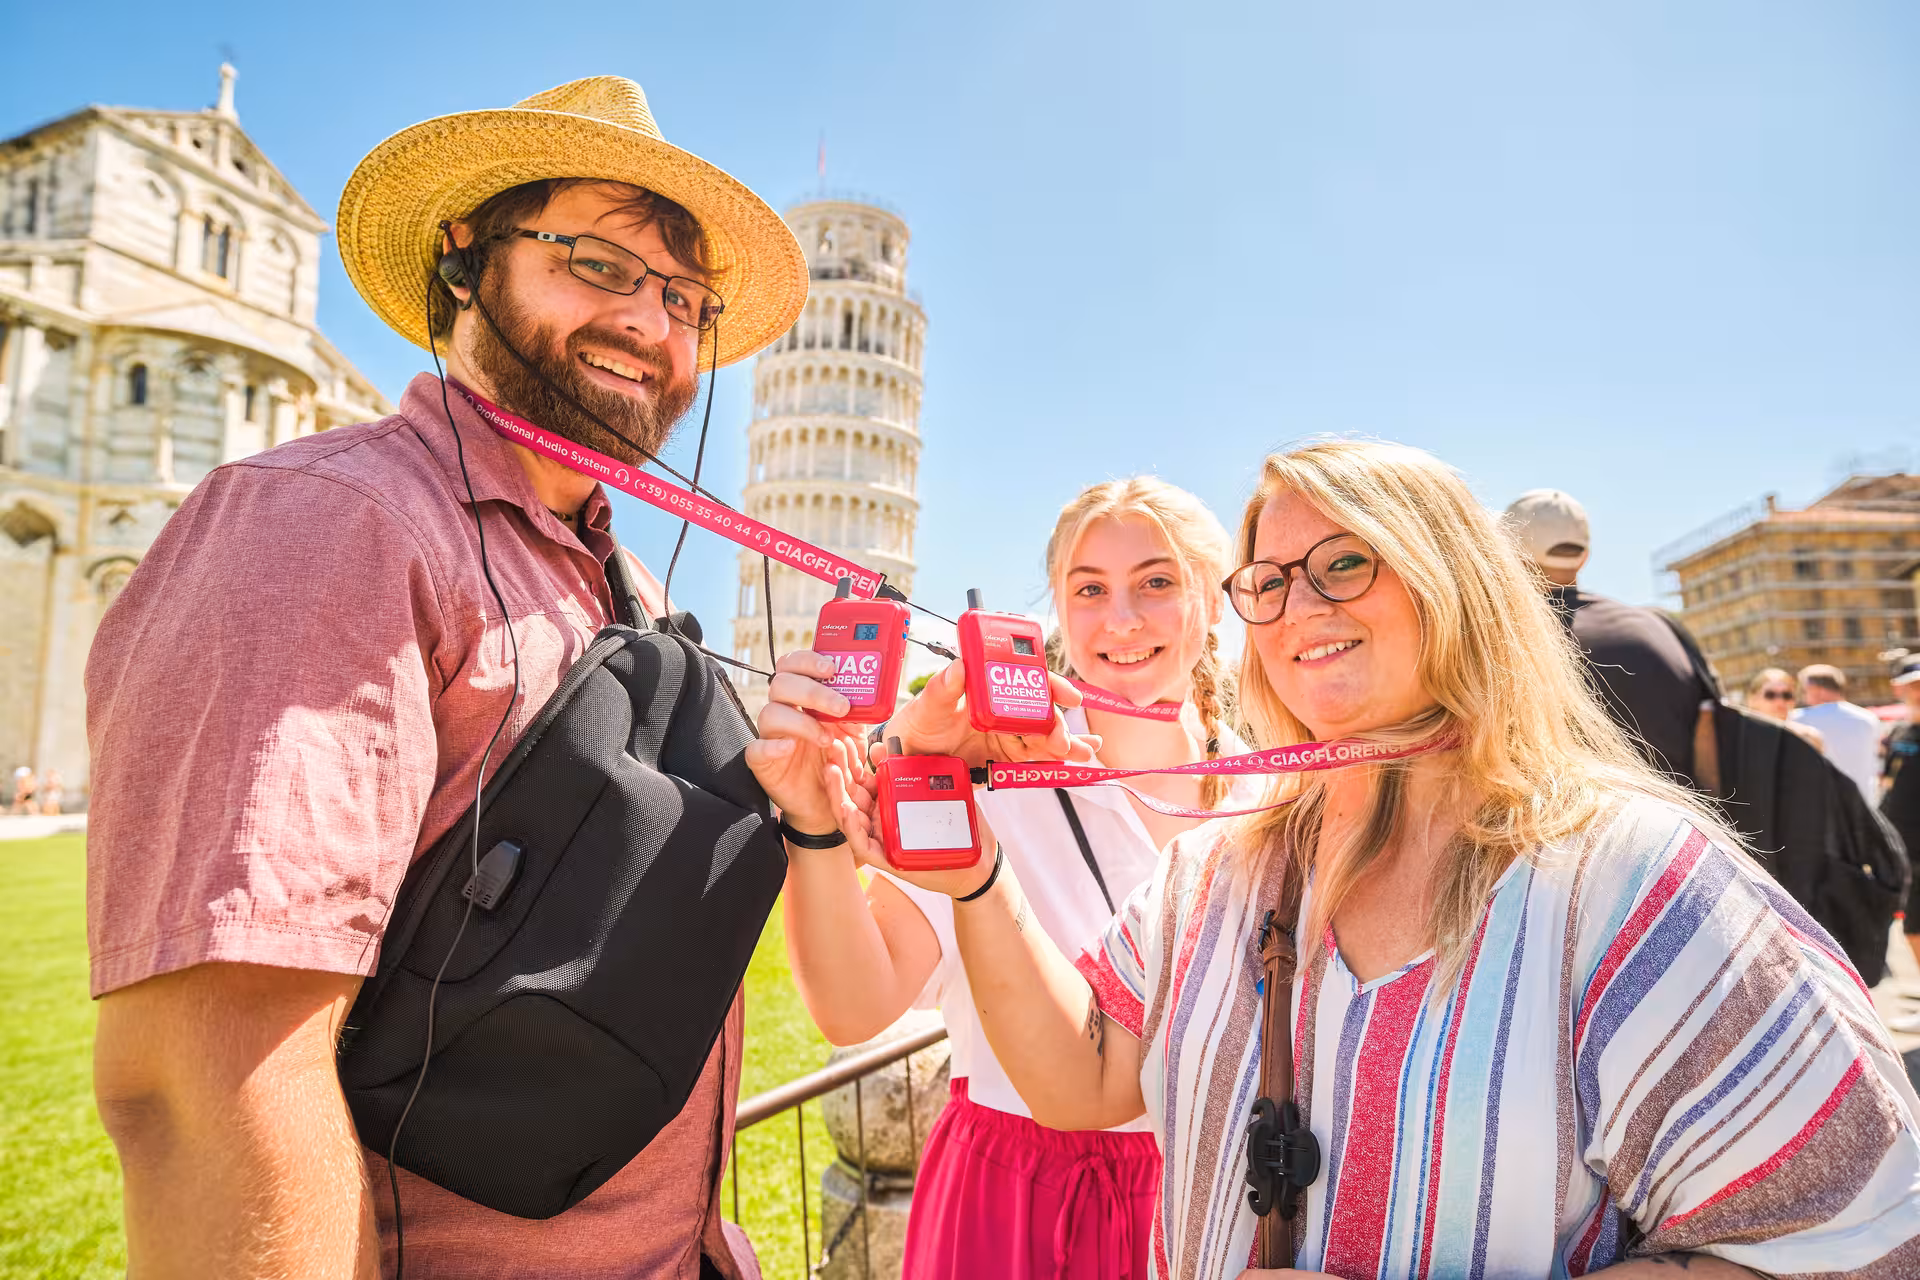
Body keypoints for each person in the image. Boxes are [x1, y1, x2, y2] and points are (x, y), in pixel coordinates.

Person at [759, 441, 1920, 1278]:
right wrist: (963, 865)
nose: (1300, 598)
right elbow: (1082, 1072)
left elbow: (1861, 1224)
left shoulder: (1630, 877)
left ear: (1457, 582)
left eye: (1347, 561)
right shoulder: (1228, 864)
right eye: (1272, 577)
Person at [84, 76, 806, 1279]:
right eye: (599, 261)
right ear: (463, 260)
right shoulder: (326, 527)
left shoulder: (621, 579)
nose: (652, 322)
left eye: (685, 296)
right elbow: (210, 1084)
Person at [758, 478, 1251, 1279]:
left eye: (1157, 582)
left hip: (1214, 1197)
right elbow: (855, 1007)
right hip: (1018, 1202)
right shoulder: (989, 789)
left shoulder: (1275, 801)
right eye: (1089, 589)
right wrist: (812, 824)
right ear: (1057, 609)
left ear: (1214, 603)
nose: (1120, 618)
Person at [1505, 489, 1714, 789]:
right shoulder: (1659, 625)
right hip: (1689, 824)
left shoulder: (1512, 639)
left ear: (1509, 554)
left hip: (1579, 829)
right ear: (1584, 556)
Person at [1793, 664, 1886, 807]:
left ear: (1814, 689)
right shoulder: (1869, 719)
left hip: (1818, 807)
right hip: (1864, 805)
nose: (1803, 696)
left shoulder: (1797, 719)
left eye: (1804, 690)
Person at [1884, 657, 1920, 1017]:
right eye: (1912, 685)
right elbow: (1888, 783)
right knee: (1912, 927)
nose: (1918, 692)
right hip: (1904, 847)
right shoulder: (1898, 733)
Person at [1746, 666, 1826, 750]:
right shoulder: (1741, 739)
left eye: (1787, 695)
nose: (1780, 701)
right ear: (1753, 700)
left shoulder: (1809, 739)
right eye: (1770, 695)